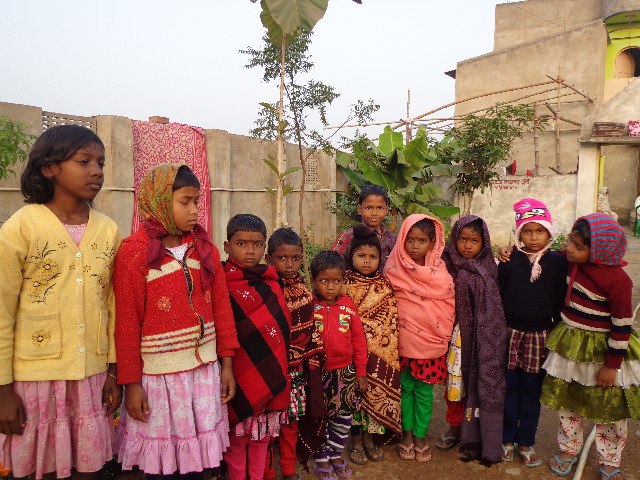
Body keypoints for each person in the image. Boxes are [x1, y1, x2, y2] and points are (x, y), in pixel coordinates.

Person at [0, 125, 121, 480]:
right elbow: (2, 311)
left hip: (91, 378)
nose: (96, 171)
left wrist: (113, 370)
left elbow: (113, 304)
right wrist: (3, 390)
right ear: (49, 168)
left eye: (101, 163)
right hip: (35, 380)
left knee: (88, 468)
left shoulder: (108, 230)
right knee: (44, 470)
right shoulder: (22, 227)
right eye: (84, 161)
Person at [113, 164, 239, 480]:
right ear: (159, 201)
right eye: (185, 201)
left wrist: (226, 364)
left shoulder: (204, 249)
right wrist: (131, 384)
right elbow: (126, 324)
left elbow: (222, 309)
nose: (195, 210)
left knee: (197, 464)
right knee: (162, 466)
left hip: (203, 374)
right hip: (159, 381)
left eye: (197, 201)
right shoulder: (134, 254)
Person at [541, 214, 640, 480]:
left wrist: (611, 366)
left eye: (578, 246)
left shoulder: (619, 281)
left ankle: (609, 460)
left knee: (608, 408)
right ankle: (569, 449)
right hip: (571, 347)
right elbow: (544, 254)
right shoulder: (572, 261)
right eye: (570, 242)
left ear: (599, 251)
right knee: (568, 401)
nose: (570, 249)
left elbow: (622, 325)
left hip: (602, 352)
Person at [498, 199, 567, 468]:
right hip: (511, 334)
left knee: (531, 391)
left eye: (540, 231)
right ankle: (506, 440)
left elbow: (561, 299)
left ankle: (526, 442)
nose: (534, 237)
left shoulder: (558, 262)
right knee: (509, 388)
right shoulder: (508, 260)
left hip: (541, 336)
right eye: (527, 231)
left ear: (549, 232)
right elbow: (500, 294)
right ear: (519, 233)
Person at [222, 214, 292, 480]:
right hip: (236, 374)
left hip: (269, 372)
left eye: (257, 244)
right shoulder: (220, 283)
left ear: (265, 247)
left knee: (261, 438)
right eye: (241, 244)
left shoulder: (271, 281)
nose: (250, 251)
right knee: (236, 440)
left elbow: (280, 330)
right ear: (227, 246)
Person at [384, 214, 455, 463]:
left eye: (422, 240)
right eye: (410, 240)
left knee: (424, 393)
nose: (415, 246)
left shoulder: (440, 272)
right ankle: (407, 434)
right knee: (405, 390)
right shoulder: (392, 269)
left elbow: (447, 305)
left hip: (431, 345)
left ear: (433, 242)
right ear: (402, 239)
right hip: (403, 344)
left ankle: (420, 436)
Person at [438, 216, 507, 464]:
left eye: (474, 241)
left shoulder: (490, 267)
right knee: (454, 386)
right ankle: (454, 426)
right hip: (454, 338)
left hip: (481, 339)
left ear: (484, 242)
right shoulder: (444, 264)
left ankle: (474, 433)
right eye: (463, 239)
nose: (467, 245)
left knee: (477, 385)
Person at [263, 228, 325, 480]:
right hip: (269, 371)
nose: (289, 265)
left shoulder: (303, 290)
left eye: (296, 258)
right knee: (267, 426)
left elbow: (310, 329)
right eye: (282, 258)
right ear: (269, 258)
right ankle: (266, 471)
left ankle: (288, 468)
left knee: (291, 422)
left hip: (297, 372)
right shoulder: (264, 290)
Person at [342, 224, 400, 465]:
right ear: (351, 256)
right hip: (352, 355)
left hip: (380, 356)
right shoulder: (343, 285)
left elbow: (391, 322)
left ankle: (369, 439)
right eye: (361, 255)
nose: (367, 261)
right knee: (355, 398)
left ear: (380, 259)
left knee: (375, 395)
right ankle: (355, 441)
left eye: (373, 257)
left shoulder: (385, 285)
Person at [309, 251, 368, 480]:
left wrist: (360, 372)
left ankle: (335, 453)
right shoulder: (309, 306)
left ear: (343, 281)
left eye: (336, 281)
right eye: (324, 281)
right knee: (319, 416)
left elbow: (359, 342)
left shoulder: (348, 307)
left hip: (345, 373)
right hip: (316, 373)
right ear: (313, 281)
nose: (330, 287)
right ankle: (321, 457)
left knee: (343, 417)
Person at [331, 185, 397, 271]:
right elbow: (332, 261)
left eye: (379, 208)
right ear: (360, 209)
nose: (374, 213)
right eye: (369, 208)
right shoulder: (350, 235)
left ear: (386, 210)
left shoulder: (392, 239)